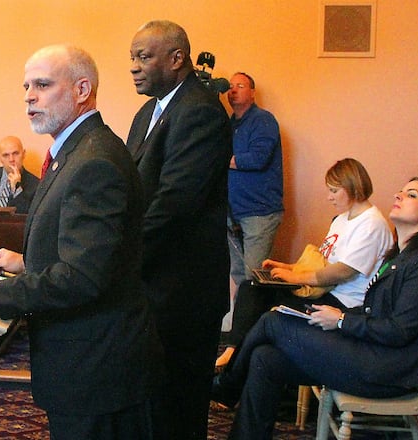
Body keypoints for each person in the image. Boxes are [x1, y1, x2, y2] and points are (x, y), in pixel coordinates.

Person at [0, 45, 164, 440]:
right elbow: (88, 251)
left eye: (43, 84)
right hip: (87, 364)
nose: (29, 96)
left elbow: (83, 276)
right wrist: (27, 261)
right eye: (26, 86)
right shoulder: (76, 150)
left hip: (98, 370)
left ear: (82, 88)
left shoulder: (95, 160)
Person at [213, 177, 418, 439]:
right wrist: (330, 317)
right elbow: (374, 313)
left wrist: (341, 321)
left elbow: (399, 331)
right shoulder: (402, 256)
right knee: (266, 357)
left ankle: (225, 386)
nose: (398, 196)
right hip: (375, 354)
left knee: (273, 322)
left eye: (411, 195)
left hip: (392, 371)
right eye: (400, 191)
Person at [126, 20, 233, 439]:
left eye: (144, 57)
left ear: (177, 58)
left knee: (178, 410)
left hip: (184, 292)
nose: (134, 67)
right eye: (132, 58)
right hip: (154, 286)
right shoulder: (148, 111)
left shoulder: (201, 110)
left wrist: (118, 254)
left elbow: (173, 205)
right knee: (152, 403)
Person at [219, 158, 393, 370]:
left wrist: (295, 278)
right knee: (252, 288)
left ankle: (232, 372)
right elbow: (323, 261)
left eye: (334, 191)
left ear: (352, 186)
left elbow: (342, 272)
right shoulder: (342, 219)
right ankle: (232, 352)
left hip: (341, 303)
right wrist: (286, 268)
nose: (329, 197)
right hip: (322, 291)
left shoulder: (371, 223)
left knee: (266, 313)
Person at [219, 71, 285, 369]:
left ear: (253, 92)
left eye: (240, 86)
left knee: (254, 278)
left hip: (260, 211)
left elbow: (256, 159)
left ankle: (246, 346)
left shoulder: (264, 121)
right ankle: (237, 338)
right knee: (236, 273)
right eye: (230, 87)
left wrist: (222, 158)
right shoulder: (228, 124)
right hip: (233, 212)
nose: (233, 91)